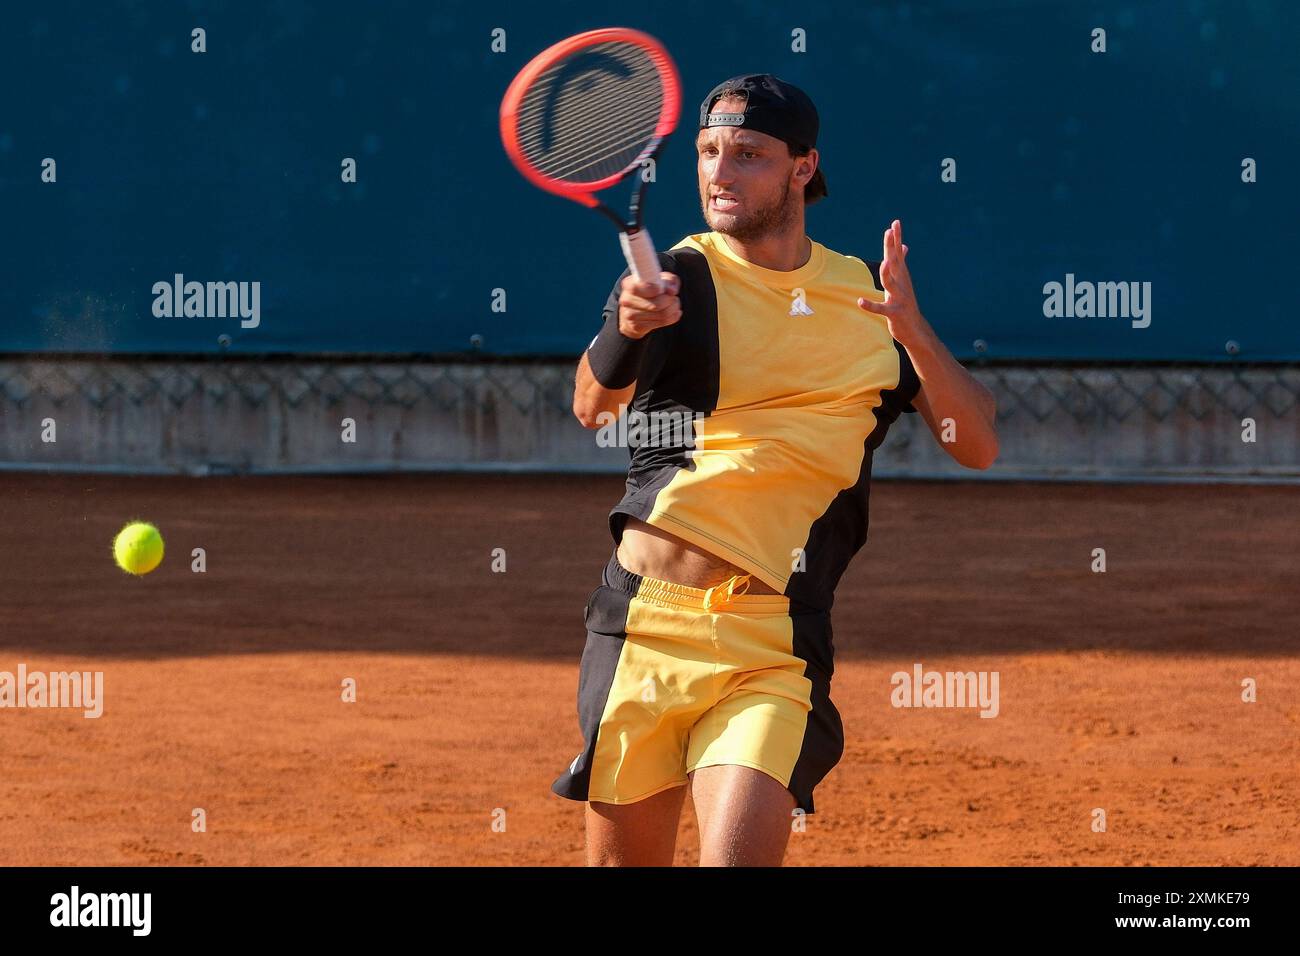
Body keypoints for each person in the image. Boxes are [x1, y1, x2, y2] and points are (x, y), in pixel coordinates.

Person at [553, 74, 999, 866]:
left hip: (773, 642)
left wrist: (916, 333)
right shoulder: (678, 279)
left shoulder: (867, 296)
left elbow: (977, 443)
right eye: (708, 152)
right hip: (641, 631)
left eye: (749, 154)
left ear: (803, 167)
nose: (721, 173)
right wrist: (626, 326)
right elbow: (593, 405)